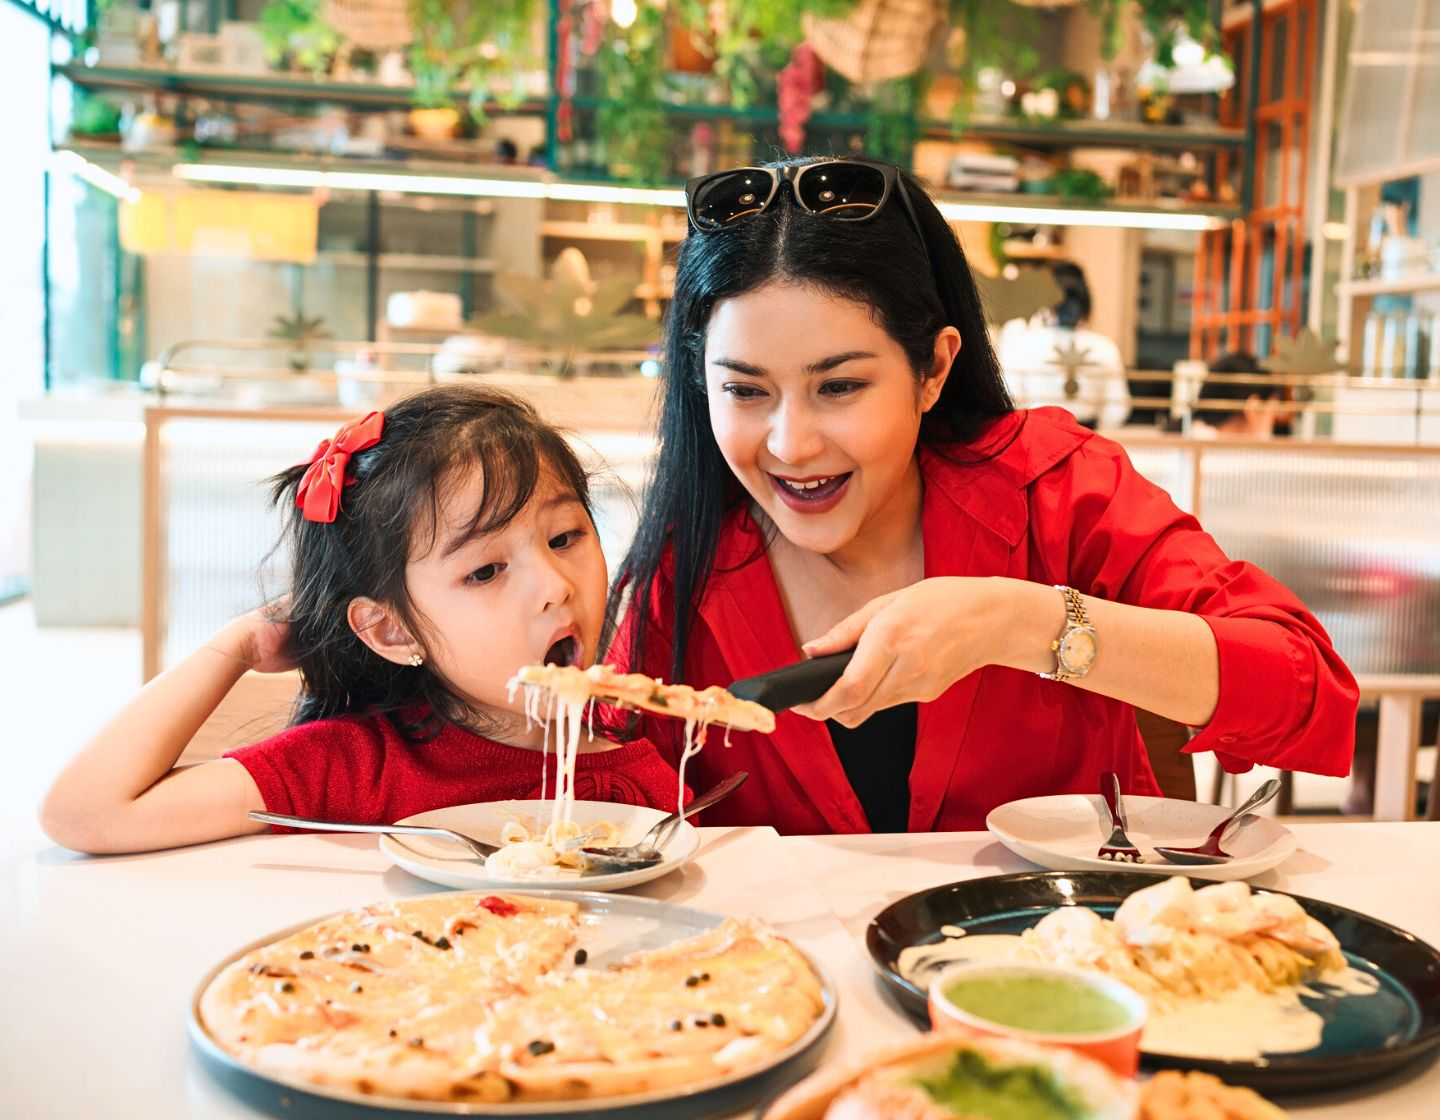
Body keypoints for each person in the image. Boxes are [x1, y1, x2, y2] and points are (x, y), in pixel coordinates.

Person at [607, 156, 1357, 835]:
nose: (790, 444)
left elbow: (1309, 695)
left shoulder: (1054, 489)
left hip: (1068, 962)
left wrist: (1021, 622)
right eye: (744, 389)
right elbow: (601, 817)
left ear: (934, 369)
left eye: (839, 386)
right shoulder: (684, 568)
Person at [41, 384, 681, 855]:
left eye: (566, 536)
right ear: (393, 631)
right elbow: (86, 813)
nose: (553, 586)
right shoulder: (356, 766)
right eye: (485, 571)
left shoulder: (649, 765)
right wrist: (235, 647)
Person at [996, 261, 1131, 429]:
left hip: (1036, 438)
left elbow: (1009, 401)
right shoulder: (1105, 347)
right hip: (1087, 439)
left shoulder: (1021, 344)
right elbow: (1117, 410)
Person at [1191, 351, 1287, 438]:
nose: (1272, 427)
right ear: (1254, 408)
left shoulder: (1188, 445)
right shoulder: (1244, 455)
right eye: (1271, 415)